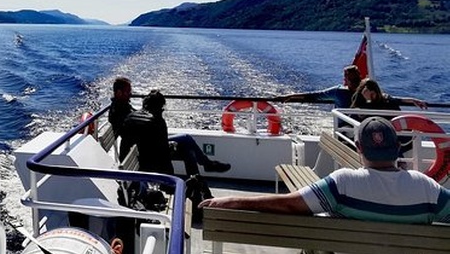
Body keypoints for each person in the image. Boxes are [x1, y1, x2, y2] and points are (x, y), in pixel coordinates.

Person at [199, 117, 450, 224]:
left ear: (359, 148)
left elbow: (288, 205)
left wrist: (231, 200)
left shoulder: (343, 183)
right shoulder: (427, 188)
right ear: (397, 148)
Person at [118, 89, 231, 177]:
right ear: (159, 107)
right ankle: (201, 176)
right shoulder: (156, 121)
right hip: (150, 160)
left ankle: (204, 169)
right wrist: (170, 179)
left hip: (142, 155)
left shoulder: (131, 116)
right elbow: (163, 154)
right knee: (187, 147)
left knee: (186, 142)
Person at [276, 65, 363, 109]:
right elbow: (313, 96)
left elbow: (314, 96)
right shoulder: (367, 90)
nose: (353, 82)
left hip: (345, 130)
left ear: (345, 79)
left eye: (354, 79)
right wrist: (291, 96)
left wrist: (290, 96)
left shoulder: (338, 92)